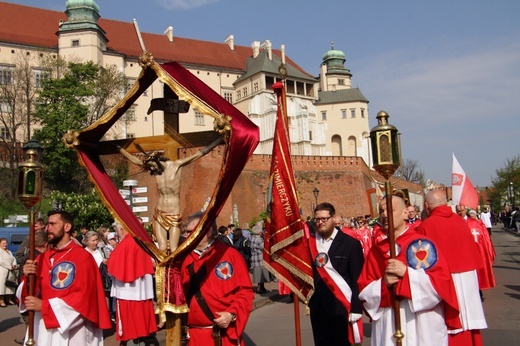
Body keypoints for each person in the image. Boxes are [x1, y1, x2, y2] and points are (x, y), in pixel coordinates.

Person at [358, 195, 461, 346]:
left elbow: (441, 284)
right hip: (388, 322)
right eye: (381, 210)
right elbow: (364, 291)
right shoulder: (376, 250)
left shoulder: (422, 244)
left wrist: (407, 274)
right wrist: (383, 284)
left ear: (405, 213)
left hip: (421, 320)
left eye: (390, 210)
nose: (385, 214)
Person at [19, 210, 111, 345]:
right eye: (47, 224)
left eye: (52, 224)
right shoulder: (43, 257)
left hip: (73, 330)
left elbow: (85, 298)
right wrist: (28, 278)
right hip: (43, 326)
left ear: (67, 227)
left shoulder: (83, 258)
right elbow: (32, 293)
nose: (47, 228)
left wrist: (45, 306)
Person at [118, 137, 223, 254]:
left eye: (153, 166)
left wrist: (218, 141)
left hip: (173, 213)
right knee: (161, 248)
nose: (152, 170)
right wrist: (121, 150)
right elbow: (137, 162)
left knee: (174, 249)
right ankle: (161, 271)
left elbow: (198, 154)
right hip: (160, 212)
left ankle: (173, 271)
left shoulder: (176, 165)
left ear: (157, 161)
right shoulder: (155, 169)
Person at [417, 190, 487, 345]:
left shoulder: (426, 226)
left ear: (426, 206)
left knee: (448, 327)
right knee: (469, 323)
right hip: (468, 279)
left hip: (445, 282)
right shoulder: (461, 221)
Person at [181, 212, 254, 345]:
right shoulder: (182, 259)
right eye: (186, 232)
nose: (187, 236)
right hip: (192, 337)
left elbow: (245, 293)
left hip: (222, 336)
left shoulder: (230, 255)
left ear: (208, 231)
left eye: (191, 232)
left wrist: (231, 314)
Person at [307, 202, 365, 345]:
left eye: (324, 219)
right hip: (318, 307)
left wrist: (357, 309)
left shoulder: (350, 244)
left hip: (342, 305)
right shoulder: (310, 244)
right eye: (317, 219)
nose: (320, 223)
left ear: (333, 218)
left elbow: (358, 277)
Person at [107, 222, 157, 345]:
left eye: (118, 231)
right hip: (142, 287)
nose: (118, 234)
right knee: (142, 320)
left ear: (123, 229)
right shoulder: (142, 241)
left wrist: (107, 261)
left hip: (126, 289)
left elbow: (113, 265)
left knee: (129, 324)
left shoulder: (125, 243)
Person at [14, 231, 47, 345]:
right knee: (33, 326)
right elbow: (25, 281)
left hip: (31, 298)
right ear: (46, 244)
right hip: (31, 297)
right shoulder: (34, 257)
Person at [250, 223, 271, 294]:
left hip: (255, 259)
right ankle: (260, 288)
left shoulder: (253, 238)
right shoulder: (259, 239)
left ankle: (262, 287)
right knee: (261, 275)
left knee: (259, 274)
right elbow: (264, 248)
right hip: (260, 259)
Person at [0, 237, 17, 306]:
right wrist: (10, 267)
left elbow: (14, 259)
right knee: (2, 286)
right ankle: (1, 301)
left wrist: (14, 265)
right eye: (3, 243)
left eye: (6, 243)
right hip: (3, 271)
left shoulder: (9, 252)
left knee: (10, 286)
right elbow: (1, 262)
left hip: (10, 271)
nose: (5, 245)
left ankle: (9, 299)